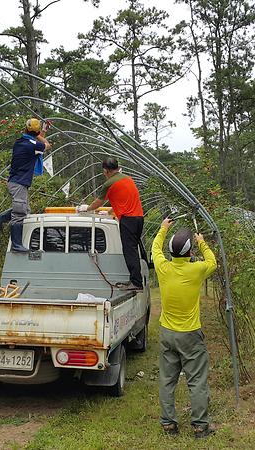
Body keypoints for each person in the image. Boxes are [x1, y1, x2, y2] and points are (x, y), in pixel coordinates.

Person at [153, 217, 218, 439]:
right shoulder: (197, 269)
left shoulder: (163, 267)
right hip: (190, 334)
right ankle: (200, 426)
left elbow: (154, 248)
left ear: (171, 252)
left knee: (167, 379)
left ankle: (168, 424)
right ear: (190, 254)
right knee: (197, 380)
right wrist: (202, 242)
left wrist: (163, 228)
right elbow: (213, 262)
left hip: (167, 333)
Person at [77, 157, 146, 290]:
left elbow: (99, 202)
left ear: (105, 171)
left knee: (129, 250)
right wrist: (109, 212)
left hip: (128, 220)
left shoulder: (109, 183)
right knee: (133, 249)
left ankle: (136, 283)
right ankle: (135, 279)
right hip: (138, 218)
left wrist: (87, 208)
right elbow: (124, 201)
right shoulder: (127, 179)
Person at [0, 118, 52, 252]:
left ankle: (0, 219)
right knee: (20, 213)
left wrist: (41, 131)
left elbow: (36, 143)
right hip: (19, 183)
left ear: (25, 129)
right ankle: (16, 245)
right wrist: (40, 134)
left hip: (15, 182)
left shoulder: (20, 142)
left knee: (25, 210)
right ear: (35, 133)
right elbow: (46, 145)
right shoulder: (33, 145)